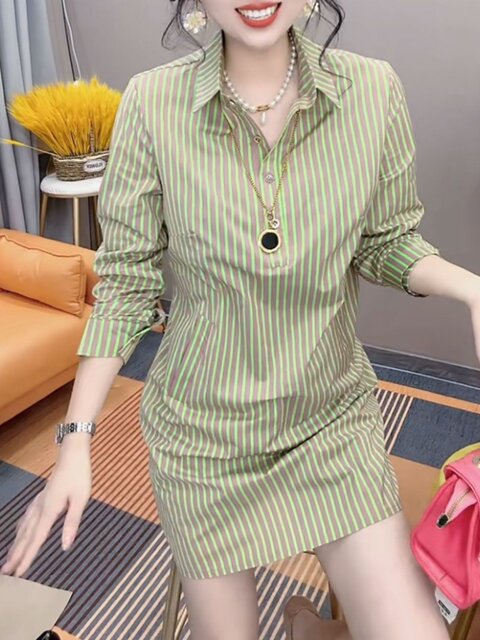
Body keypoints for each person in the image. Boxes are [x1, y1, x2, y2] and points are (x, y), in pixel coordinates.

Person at [2, 1, 480, 639]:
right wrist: (77, 439)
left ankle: (312, 629)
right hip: (205, 439)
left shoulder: (373, 90)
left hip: (327, 422)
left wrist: (472, 289)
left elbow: (386, 242)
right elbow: (127, 284)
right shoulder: (152, 103)